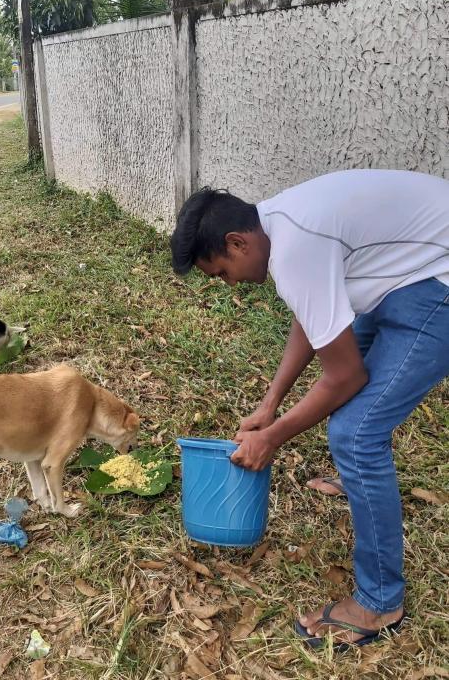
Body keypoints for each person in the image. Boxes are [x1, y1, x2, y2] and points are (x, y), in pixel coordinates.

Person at [170, 169, 449, 652]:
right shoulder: (279, 225)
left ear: (237, 243)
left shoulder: (296, 243)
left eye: (220, 273)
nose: (229, 284)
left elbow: (345, 377)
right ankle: (365, 483)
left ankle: (381, 601)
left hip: (436, 283)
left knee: (356, 434)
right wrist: (270, 404)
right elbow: (312, 314)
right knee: (352, 417)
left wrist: (272, 437)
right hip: (404, 275)